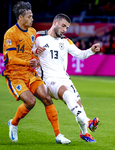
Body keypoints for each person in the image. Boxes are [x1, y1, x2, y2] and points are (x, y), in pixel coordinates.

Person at [2, 1, 70, 144]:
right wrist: (29, 61)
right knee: (31, 102)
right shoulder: (10, 33)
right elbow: (12, 58)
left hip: (30, 72)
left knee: (46, 97)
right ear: (20, 18)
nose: (32, 19)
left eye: (32, 16)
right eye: (29, 16)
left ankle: (58, 135)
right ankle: (13, 123)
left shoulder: (32, 32)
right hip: (15, 75)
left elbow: (30, 53)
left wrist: (36, 55)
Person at [32, 13, 100, 142]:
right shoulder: (38, 37)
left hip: (65, 78)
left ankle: (84, 133)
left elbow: (80, 54)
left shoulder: (65, 41)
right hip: (48, 79)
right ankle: (88, 121)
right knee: (68, 95)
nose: (64, 30)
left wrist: (91, 50)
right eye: (63, 26)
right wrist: (34, 56)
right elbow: (27, 51)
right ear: (55, 22)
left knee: (78, 105)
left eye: (67, 28)